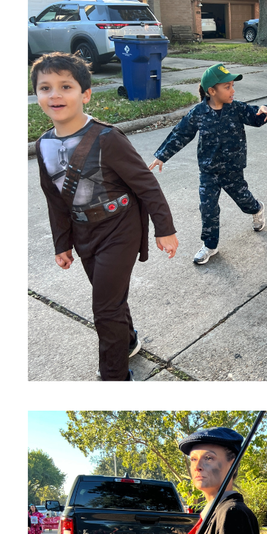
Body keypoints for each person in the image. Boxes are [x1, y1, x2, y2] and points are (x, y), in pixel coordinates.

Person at [33, 52, 178, 380]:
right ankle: (127, 341)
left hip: (119, 229)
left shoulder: (107, 138)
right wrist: (62, 243)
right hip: (84, 233)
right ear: (37, 95)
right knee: (109, 295)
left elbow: (146, 185)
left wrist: (163, 229)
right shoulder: (42, 146)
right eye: (45, 88)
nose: (55, 94)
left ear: (85, 94)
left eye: (65, 86)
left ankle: (114, 377)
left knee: (105, 308)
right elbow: (55, 201)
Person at [150, 64, 267, 265]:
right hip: (208, 171)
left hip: (233, 170)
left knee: (245, 202)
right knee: (208, 209)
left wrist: (266, 109)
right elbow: (181, 134)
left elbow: (257, 116)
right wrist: (162, 155)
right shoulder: (198, 113)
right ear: (211, 91)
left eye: (233, 86)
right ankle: (210, 245)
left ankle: (257, 209)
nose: (232, 91)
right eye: (227, 87)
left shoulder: (237, 108)